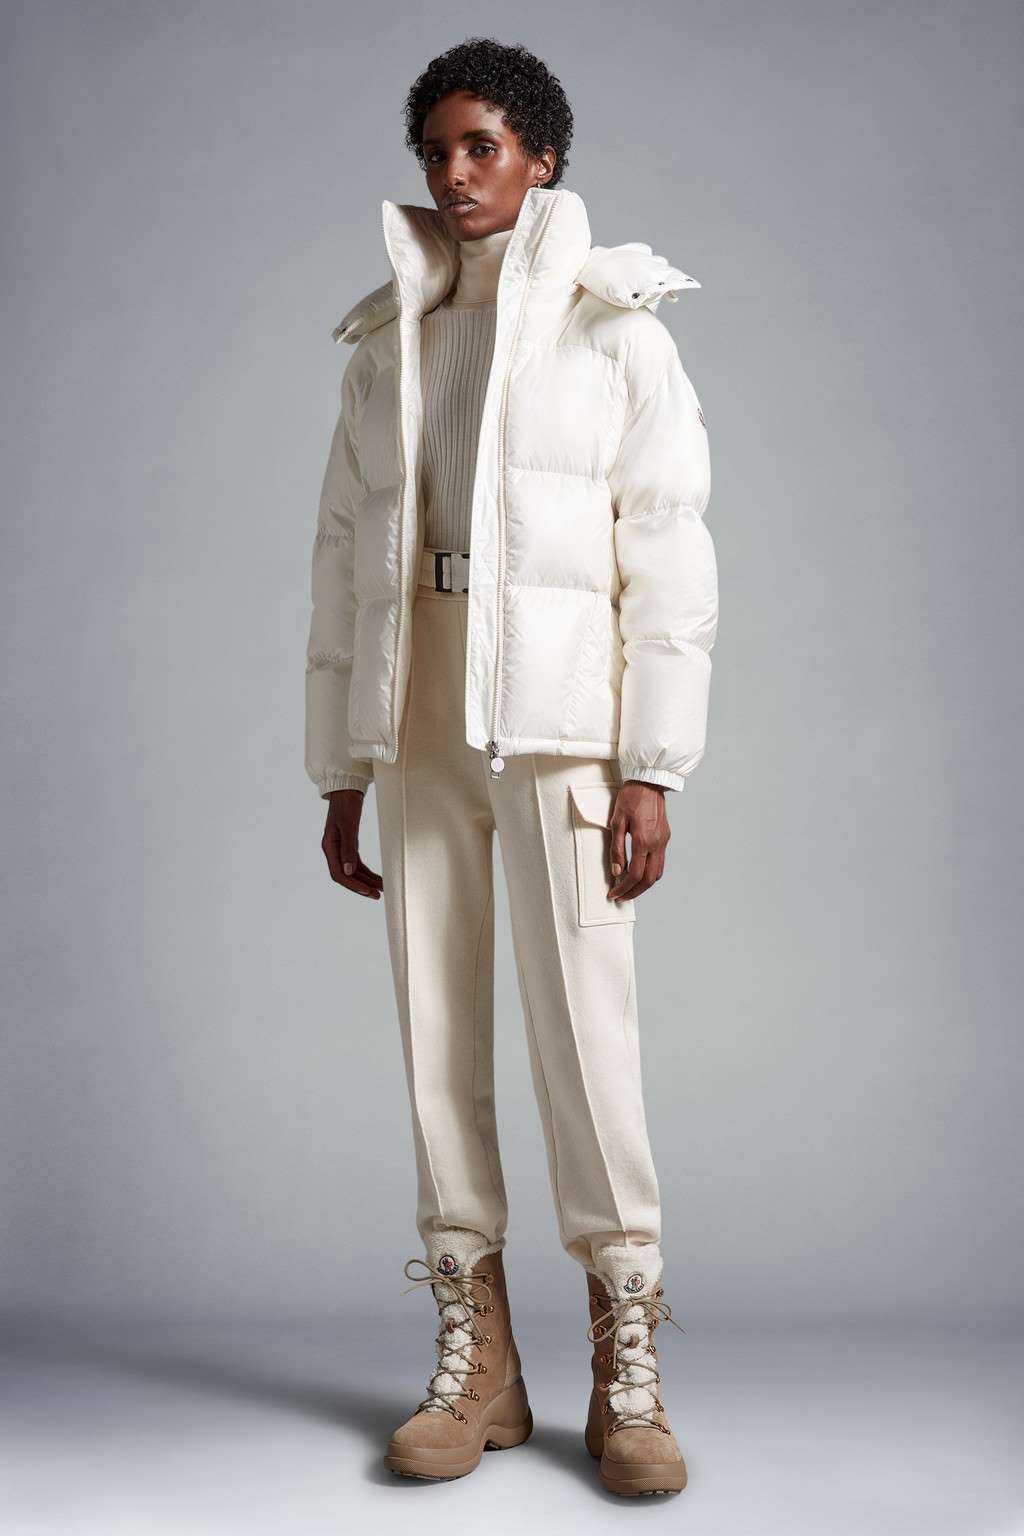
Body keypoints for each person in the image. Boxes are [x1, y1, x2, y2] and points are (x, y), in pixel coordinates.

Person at [304, 37, 717, 1498]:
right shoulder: (388, 341)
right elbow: (342, 558)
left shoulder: (619, 334)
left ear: (543, 156)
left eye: (482, 145)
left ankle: (626, 1366)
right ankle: (477, 1360)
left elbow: (669, 558)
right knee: (437, 1034)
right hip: (419, 713)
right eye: (435, 150)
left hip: (558, 723)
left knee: (586, 1039)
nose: (454, 173)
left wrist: (650, 763)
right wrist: (342, 762)